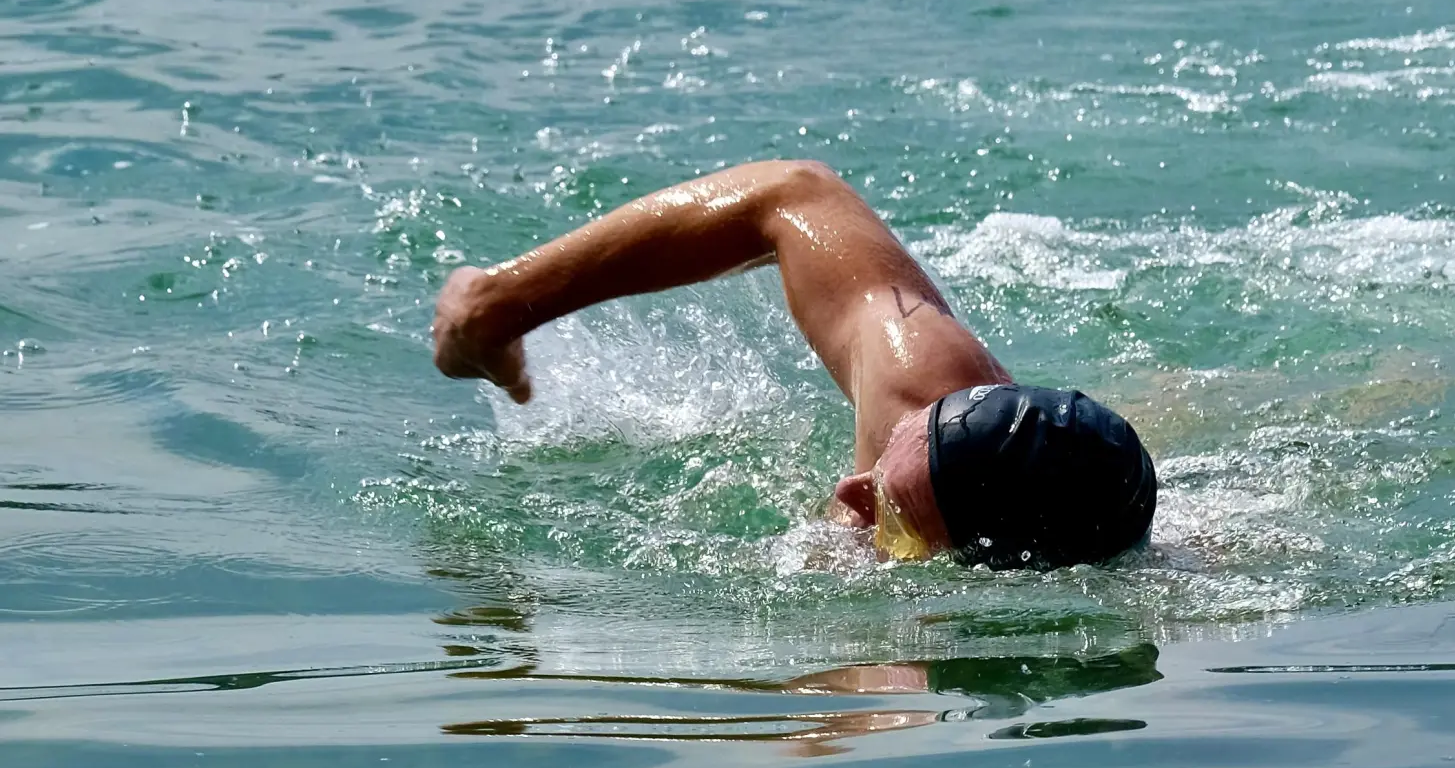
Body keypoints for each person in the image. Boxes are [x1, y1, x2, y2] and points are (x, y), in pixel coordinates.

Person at [431, 160, 1157, 570]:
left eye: (897, 522)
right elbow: (797, 195)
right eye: (885, 463)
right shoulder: (924, 380)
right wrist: (505, 303)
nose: (851, 489)